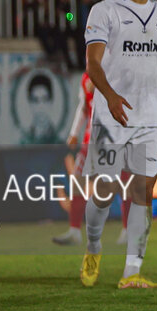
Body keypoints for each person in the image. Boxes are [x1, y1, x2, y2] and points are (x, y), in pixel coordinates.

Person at [79, 0, 157, 289]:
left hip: (150, 119)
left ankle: (131, 273)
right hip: (111, 118)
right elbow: (93, 64)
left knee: (143, 192)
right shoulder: (104, 12)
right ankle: (93, 248)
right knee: (104, 191)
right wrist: (109, 97)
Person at [52, 73, 129, 246]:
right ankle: (74, 231)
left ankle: (127, 230)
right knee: (78, 182)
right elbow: (84, 107)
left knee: (124, 185)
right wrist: (73, 133)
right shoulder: (87, 77)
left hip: (114, 139)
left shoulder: (117, 70)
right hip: (90, 140)